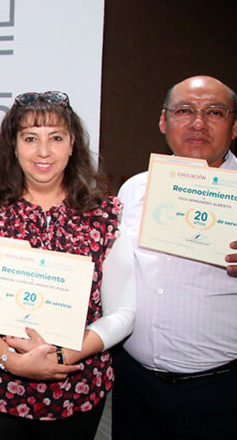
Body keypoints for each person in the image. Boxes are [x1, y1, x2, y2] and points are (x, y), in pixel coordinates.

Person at [0, 92, 135, 439]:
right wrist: (11, 360)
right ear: (14, 146)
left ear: (73, 144)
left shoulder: (105, 216)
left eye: (56, 138)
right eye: (30, 139)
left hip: (75, 391)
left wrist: (63, 356)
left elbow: (122, 313)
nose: (44, 152)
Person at [112, 75, 237, 439]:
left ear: (233, 127)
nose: (198, 123)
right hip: (135, 387)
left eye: (214, 112)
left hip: (219, 393)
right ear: (164, 121)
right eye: (185, 111)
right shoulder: (134, 189)